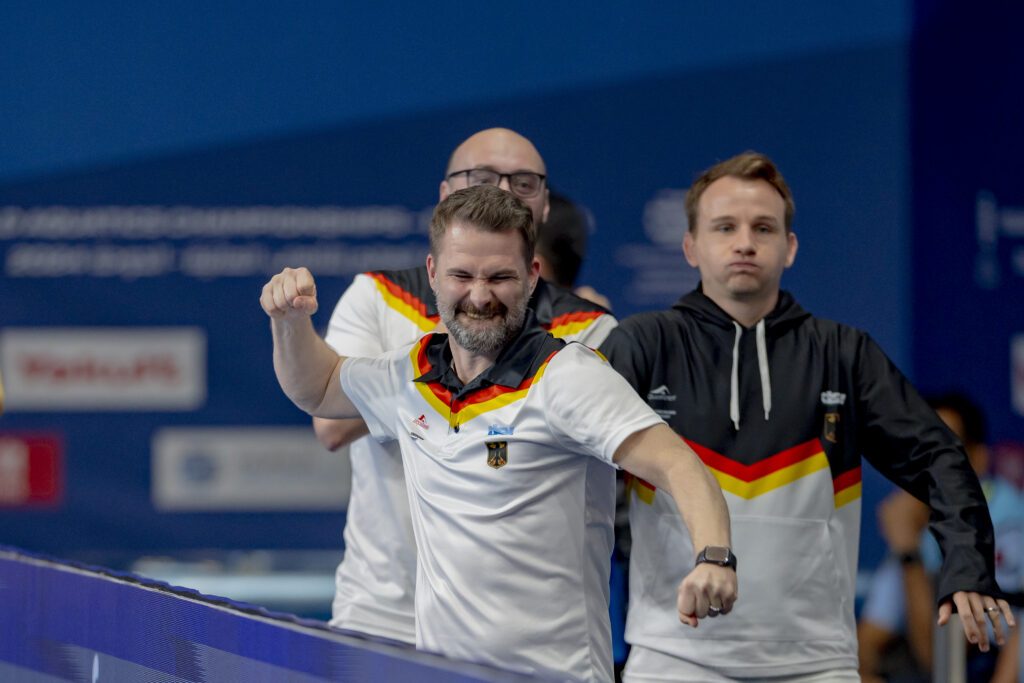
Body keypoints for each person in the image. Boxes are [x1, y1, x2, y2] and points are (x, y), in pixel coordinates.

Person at [262, 184, 737, 681]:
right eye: (462, 275)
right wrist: (291, 323)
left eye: (500, 277)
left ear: (532, 277)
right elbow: (317, 389)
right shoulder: (410, 371)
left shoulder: (567, 377)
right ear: (432, 274)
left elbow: (679, 465)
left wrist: (715, 559)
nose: (480, 296)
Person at [599, 151, 1015, 682]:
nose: (745, 242)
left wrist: (967, 566)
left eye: (764, 228)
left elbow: (939, 456)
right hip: (673, 656)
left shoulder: (843, 353)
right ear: (690, 246)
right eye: (724, 227)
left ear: (789, 247)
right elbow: (565, 466)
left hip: (817, 662)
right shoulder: (642, 345)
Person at [313, 128, 616, 645]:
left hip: (528, 633)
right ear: (446, 196)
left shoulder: (587, 326)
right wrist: (464, 329)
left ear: (543, 207)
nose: (501, 191)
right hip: (384, 614)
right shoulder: (378, 296)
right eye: (480, 178)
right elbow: (332, 424)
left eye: (523, 182)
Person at [858, 392, 1024, 683]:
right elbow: (865, 645)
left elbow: (942, 660)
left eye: (946, 453)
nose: (931, 468)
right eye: (921, 452)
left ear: (979, 460)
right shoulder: (921, 519)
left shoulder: (1005, 520)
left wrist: (909, 552)